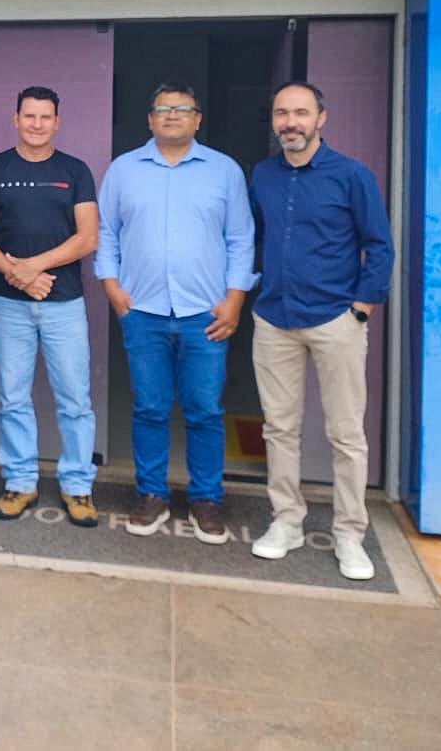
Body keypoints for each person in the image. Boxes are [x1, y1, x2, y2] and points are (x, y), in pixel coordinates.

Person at [96, 83, 255, 545]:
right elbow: (106, 232)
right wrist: (112, 287)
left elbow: (240, 239)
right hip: (141, 310)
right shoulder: (124, 170)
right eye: (162, 109)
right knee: (149, 407)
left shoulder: (223, 171)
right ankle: (152, 494)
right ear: (149, 119)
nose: (171, 116)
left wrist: (235, 299)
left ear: (197, 119)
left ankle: (206, 498)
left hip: (205, 313)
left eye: (181, 109)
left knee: (204, 409)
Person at [248, 80, 394, 581]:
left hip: (336, 320)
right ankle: (286, 521)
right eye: (282, 113)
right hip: (274, 319)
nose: (291, 122)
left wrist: (361, 309)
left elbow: (379, 246)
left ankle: (350, 532)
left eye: (301, 113)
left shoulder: (352, 176)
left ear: (321, 118)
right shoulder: (262, 175)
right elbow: (256, 238)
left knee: (346, 434)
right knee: (279, 428)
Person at [0, 86, 99, 527]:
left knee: (75, 399)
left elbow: (88, 237)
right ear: (16, 119)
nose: (36, 124)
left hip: (64, 303)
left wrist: (32, 267)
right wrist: (17, 276)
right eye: (29, 116)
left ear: (56, 121)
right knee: (12, 397)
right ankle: (20, 481)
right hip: (7, 303)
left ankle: (79, 487)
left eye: (45, 117)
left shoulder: (75, 170)